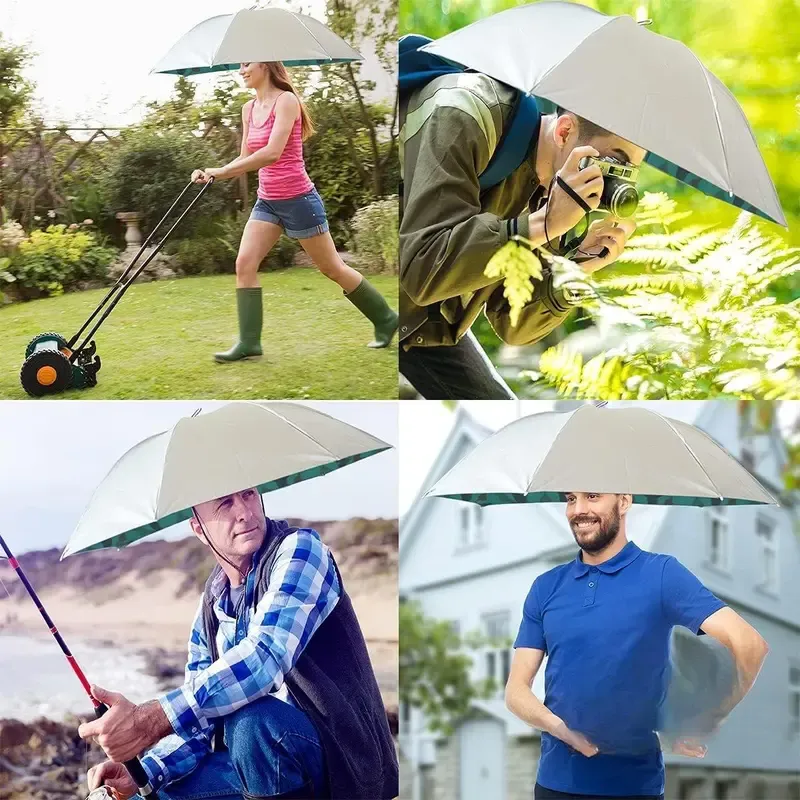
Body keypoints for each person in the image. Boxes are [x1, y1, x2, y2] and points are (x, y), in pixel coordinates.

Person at [81, 488, 398, 800]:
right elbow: (200, 725)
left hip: (342, 763)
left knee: (253, 720)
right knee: (138, 797)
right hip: (259, 768)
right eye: (224, 504)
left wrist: (150, 720)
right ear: (199, 529)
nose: (244, 512)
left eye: (248, 495)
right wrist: (146, 770)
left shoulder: (300, 550)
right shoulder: (211, 607)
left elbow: (264, 657)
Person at [505, 491, 769, 800]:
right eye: (570, 498)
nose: (578, 510)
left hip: (633, 789)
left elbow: (749, 645)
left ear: (624, 501)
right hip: (554, 786)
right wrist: (558, 728)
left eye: (592, 496)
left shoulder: (661, 575)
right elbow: (516, 691)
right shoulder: (546, 587)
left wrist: (707, 717)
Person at [399, 71, 642, 399]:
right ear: (565, 131)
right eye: (612, 161)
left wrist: (577, 267)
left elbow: (512, 324)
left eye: (628, 172)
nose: (613, 179)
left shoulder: (555, 188)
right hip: (389, 292)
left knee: (497, 406)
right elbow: (421, 270)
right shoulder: (462, 112)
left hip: (425, 325)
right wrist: (542, 225)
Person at [192, 61, 398, 362]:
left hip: (299, 200)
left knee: (332, 269)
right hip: (268, 201)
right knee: (244, 264)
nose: (241, 71)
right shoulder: (248, 109)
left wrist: (220, 171)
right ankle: (250, 343)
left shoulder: (287, 101)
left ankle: (386, 319)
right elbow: (246, 157)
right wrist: (213, 174)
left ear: (265, 64)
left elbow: (272, 153)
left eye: (247, 64)